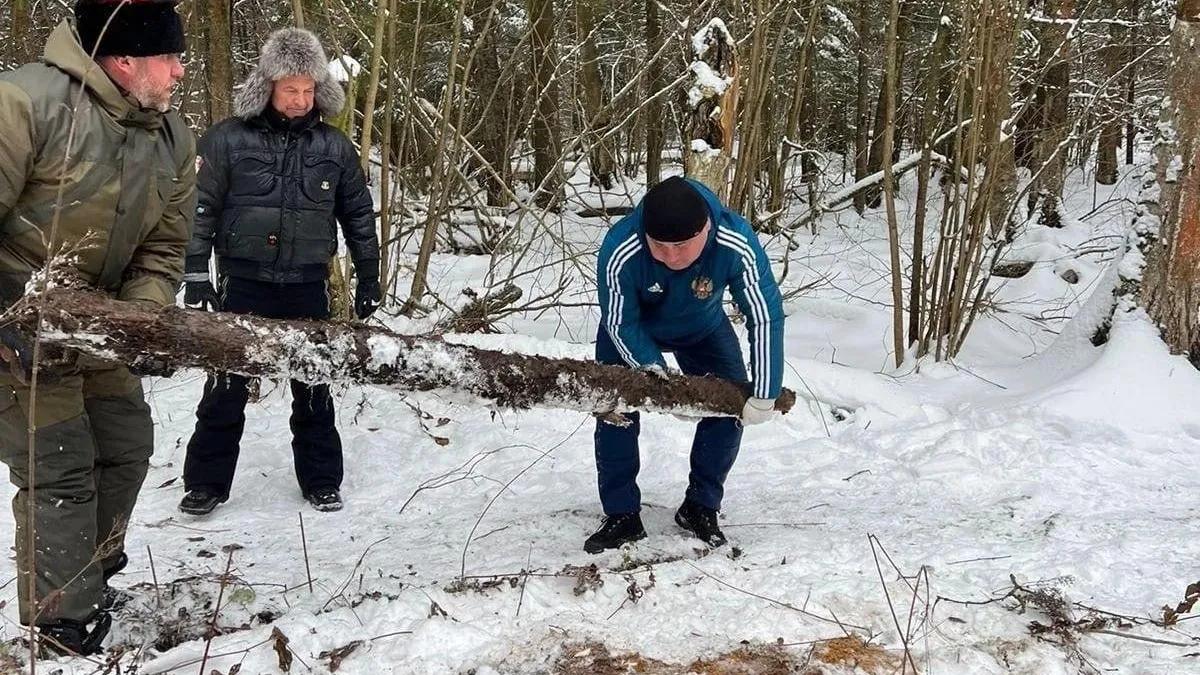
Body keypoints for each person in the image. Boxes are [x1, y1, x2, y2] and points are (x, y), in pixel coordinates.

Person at [0, 0, 193, 655]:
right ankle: (61, 622)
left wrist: (142, 321)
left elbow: (164, 248)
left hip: (99, 325)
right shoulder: (28, 103)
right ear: (123, 59)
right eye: (168, 57)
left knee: (127, 444)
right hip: (17, 328)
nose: (180, 72)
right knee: (59, 468)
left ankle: (88, 572)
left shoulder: (173, 137)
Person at [179, 27, 380, 517]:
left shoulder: (334, 146)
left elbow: (357, 213)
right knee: (226, 387)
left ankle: (321, 481)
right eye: (291, 89)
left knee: (313, 386)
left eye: (309, 89)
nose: (300, 99)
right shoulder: (226, 139)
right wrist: (196, 274)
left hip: (307, 283)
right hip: (242, 281)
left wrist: (369, 275)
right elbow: (198, 208)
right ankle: (206, 484)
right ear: (268, 85)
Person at [586, 176, 784, 554]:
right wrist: (653, 373)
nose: (671, 257)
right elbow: (619, 321)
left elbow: (765, 314)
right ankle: (622, 514)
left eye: (681, 246)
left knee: (730, 408)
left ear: (706, 230)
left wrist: (766, 391)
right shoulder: (620, 245)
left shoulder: (734, 240)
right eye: (659, 245)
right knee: (615, 412)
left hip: (702, 327)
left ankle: (701, 505)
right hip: (631, 332)